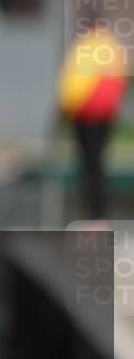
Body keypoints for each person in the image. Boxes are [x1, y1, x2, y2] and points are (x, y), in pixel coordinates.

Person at [57, 21, 130, 220]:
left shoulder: (86, 46)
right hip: (106, 116)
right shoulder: (113, 46)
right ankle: (99, 214)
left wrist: (63, 108)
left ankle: (93, 216)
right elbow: (121, 80)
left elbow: (74, 84)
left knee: (88, 164)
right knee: (99, 162)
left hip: (86, 115)